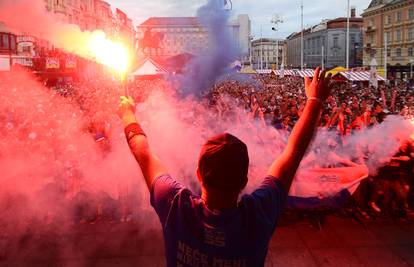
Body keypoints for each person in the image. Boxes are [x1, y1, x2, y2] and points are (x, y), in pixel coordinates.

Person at [118, 67, 332, 267]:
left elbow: (142, 151)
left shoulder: (176, 206)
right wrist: (314, 100)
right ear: (245, 182)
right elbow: (292, 154)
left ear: (198, 174)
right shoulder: (259, 215)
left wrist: (127, 112)